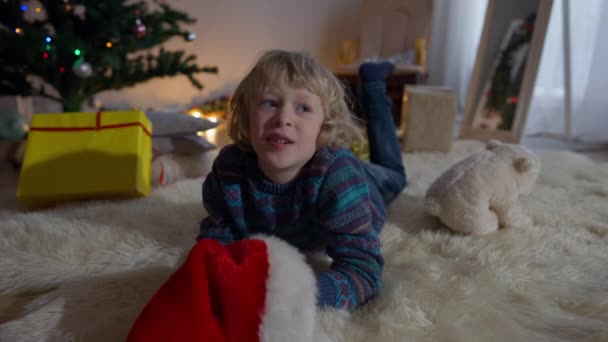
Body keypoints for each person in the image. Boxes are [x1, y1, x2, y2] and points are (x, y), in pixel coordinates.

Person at [198, 50, 406, 311]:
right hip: (326, 170)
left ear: (324, 126)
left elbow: (363, 271)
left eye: (303, 108)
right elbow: (218, 235)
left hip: (362, 185)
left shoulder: (339, 177)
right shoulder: (229, 169)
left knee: (394, 173)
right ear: (246, 114)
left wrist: (301, 297)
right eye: (270, 103)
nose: (283, 118)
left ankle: (374, 86)